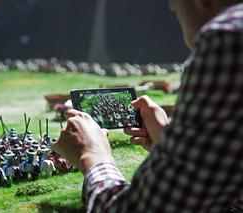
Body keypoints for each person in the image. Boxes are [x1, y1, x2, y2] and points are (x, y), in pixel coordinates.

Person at [52, 0, 243, 212]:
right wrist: (172, 146)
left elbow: (142, 209)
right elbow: (222, 183)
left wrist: (92, 155)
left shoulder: (227, 40)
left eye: (175, 11)